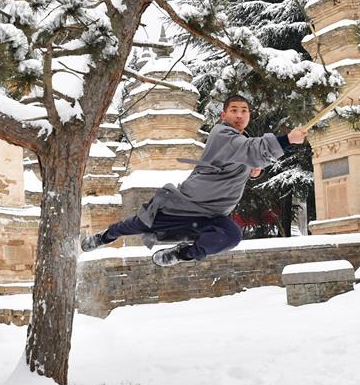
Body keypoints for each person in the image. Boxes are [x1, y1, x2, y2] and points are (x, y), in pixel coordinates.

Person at [80, 94, 309, 266]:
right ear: (223, 115)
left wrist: (253, 171)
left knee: (231, 235)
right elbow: (251, 150)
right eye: (234, 110)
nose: (239, 115)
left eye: (244, 111)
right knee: (134, 224)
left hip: (211, 215)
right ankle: (103, 237)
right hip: (182, 206)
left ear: (249, 116)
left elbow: (247, 157)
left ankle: (181, 254)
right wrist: (288, 139)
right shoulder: (223, 135)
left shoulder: (241, 142)